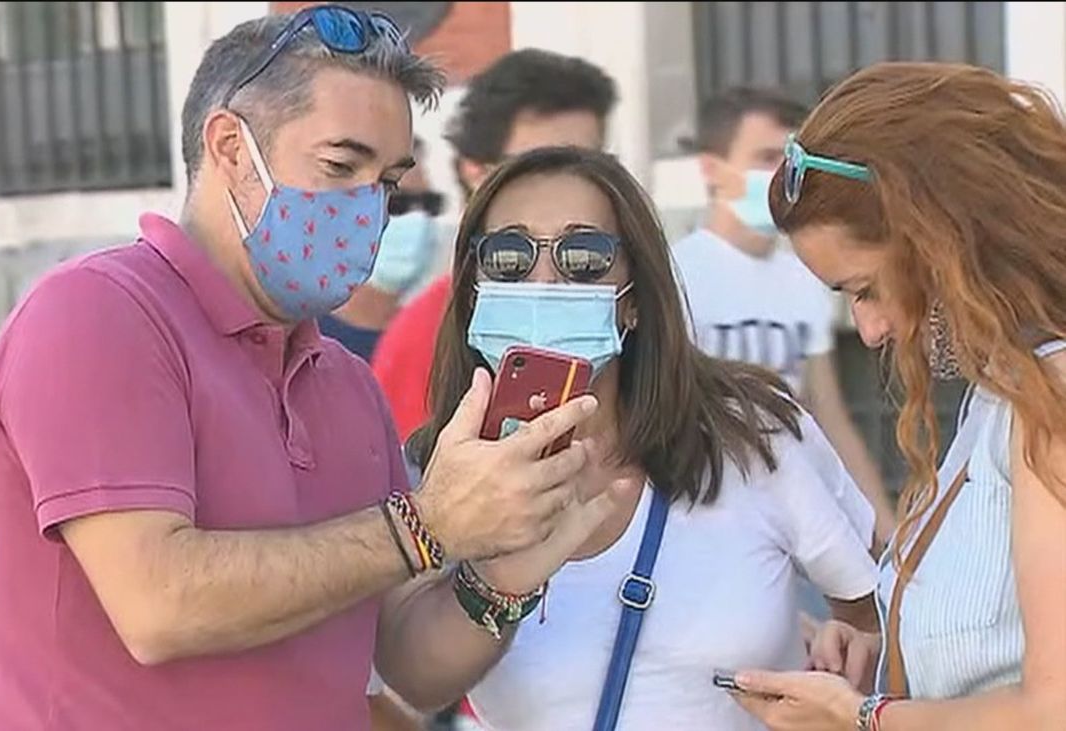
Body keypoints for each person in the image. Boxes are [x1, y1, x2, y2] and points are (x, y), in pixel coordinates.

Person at [0, 8, 618, 730]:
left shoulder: (342, 382)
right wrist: (426, 524)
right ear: (231, 149)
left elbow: (405, 662)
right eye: (342, 166)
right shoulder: (96, 315)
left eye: (388, 181)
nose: (370, 208)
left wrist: (502, 578)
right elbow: (158, 603)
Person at [372, 146, 880, 730]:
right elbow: (404, 682)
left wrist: (850, 674)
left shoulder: (752, 437)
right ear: (473, 292)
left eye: (583, 256)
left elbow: (875, 620)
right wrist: (494, 578)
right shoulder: (440, 480)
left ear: (634, 299)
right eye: (509, 255)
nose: (545, 281)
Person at [728, 62, 1066, 731]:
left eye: (866, 288)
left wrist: (863, 716)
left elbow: (1054, 707)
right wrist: (886, 655)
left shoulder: (1047, 400)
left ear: (946, 242)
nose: (870, 328)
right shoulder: (1000, 395)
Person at [673, 87, 894, 544]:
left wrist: (885, 533)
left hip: (798, 518)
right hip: (704, 520)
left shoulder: (806, 273)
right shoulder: (677, 274)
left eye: (787, 160)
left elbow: (826, 415)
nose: (776, 174)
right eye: (764, 156)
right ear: (712, 169)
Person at [372, 49, 616, 440]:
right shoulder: (421, 338)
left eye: (592, 166)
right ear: (477, 173)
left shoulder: (632, 317)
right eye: (540, 167)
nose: (572, 187)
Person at [319, 136, 444, 361]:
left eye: (429, 204)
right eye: (398, 204)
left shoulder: (438, 344)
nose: (419, 219)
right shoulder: (301, 344)